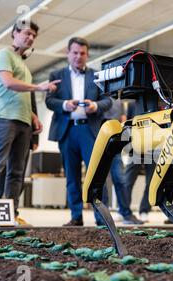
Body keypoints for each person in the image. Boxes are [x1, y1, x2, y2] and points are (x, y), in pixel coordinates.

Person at [0, 20, 58, 226]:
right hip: (3, 118)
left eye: (33, 35)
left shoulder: (23, 63)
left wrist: (33, 117)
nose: (30, 37)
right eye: (26, 33)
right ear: (13, 33)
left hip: (23, 122)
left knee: (17, 172)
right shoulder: (3, 55)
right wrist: (39, 88)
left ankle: (11, 214)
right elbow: (8, 83)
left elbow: (22, 97)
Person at [45, 37, 113, 227]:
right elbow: (49, 101)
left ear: (87, 55)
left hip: (89, 131)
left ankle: (102, 218)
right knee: (72, 177)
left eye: (82, 53)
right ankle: (76, 216)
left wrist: (95, 106)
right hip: (67, 132)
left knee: (97, 176)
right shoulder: (56, 75)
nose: (78, 57)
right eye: (75, 53)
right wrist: (65, 104)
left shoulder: (97, 76)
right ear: (68, 53)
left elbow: (108, 101)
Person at [0, 91, 40, 200]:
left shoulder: (27, 83)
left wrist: (34, 138)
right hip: (2, 127)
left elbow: (32, 107)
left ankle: (12, 210)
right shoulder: (0, 78)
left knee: (18, 173)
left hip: (24, 130)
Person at [103, 99, 144, 224]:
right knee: (101, 181)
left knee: (120, 179)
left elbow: (123, 120)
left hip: (114, 143)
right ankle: (103, 215)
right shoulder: (96, 95)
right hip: (96, 138)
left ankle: (125, 212)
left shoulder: (119, 102)